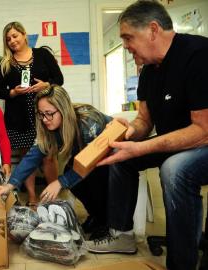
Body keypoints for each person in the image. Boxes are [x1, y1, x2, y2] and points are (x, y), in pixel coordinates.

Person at [85, 1, 208, 269]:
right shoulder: (148, 70)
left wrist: (142, 148)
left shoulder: (198, 54)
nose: (127, 46)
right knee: (121, 153)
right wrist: (128, 132)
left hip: (203, 141)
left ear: (153, 30)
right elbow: (144, 120)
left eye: (128, 38)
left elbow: (202, 131)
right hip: (177, 140)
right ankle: (122, 235)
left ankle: (182, 264)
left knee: (175, 170)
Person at [0, 84, 111, 239]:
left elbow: (91, 162)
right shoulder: (49, 126)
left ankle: (108, 223)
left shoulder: (87, 122)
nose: (45, 120)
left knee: (93, 177)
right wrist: (10, 184)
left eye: (49, 114)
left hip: (114, 158)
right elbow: (32, 156)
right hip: (89, 159)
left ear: (63, 110)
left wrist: (60, 182)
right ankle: (97, 216)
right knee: (74, 178)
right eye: (41, 114)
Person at [0, 21, 64, 207]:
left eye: (15, 36)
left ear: (24, 35)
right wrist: (13, 92)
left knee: (49, 155)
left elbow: (59, 79)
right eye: (8, 39)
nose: (12, 41)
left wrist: (46, 85)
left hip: (44, 115)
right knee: (27, 158)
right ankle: (32, 196)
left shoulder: (42, 54)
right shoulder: (4, 63)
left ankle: (52, 195)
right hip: (19, 118)